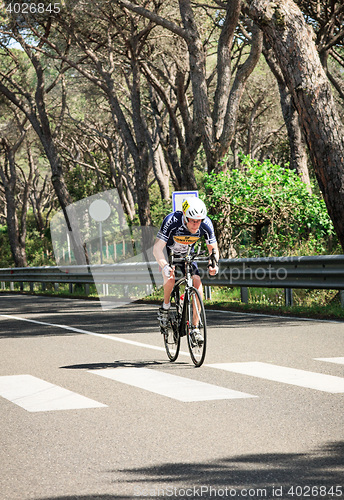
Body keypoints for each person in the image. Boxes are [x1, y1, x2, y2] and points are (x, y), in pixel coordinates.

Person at [153, 197, 219, 343]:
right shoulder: (172, 220)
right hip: (168, 254)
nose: (196, 224)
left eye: (199, 220)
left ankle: (195, 328)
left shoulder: (206, 223)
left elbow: (213, 249)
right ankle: (165, 307)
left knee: (197, 284)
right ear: (184, 215)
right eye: (192, 220)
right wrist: (164, 265)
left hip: (187, 255)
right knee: (170, 278)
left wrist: (214, 263)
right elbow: (157, 248)